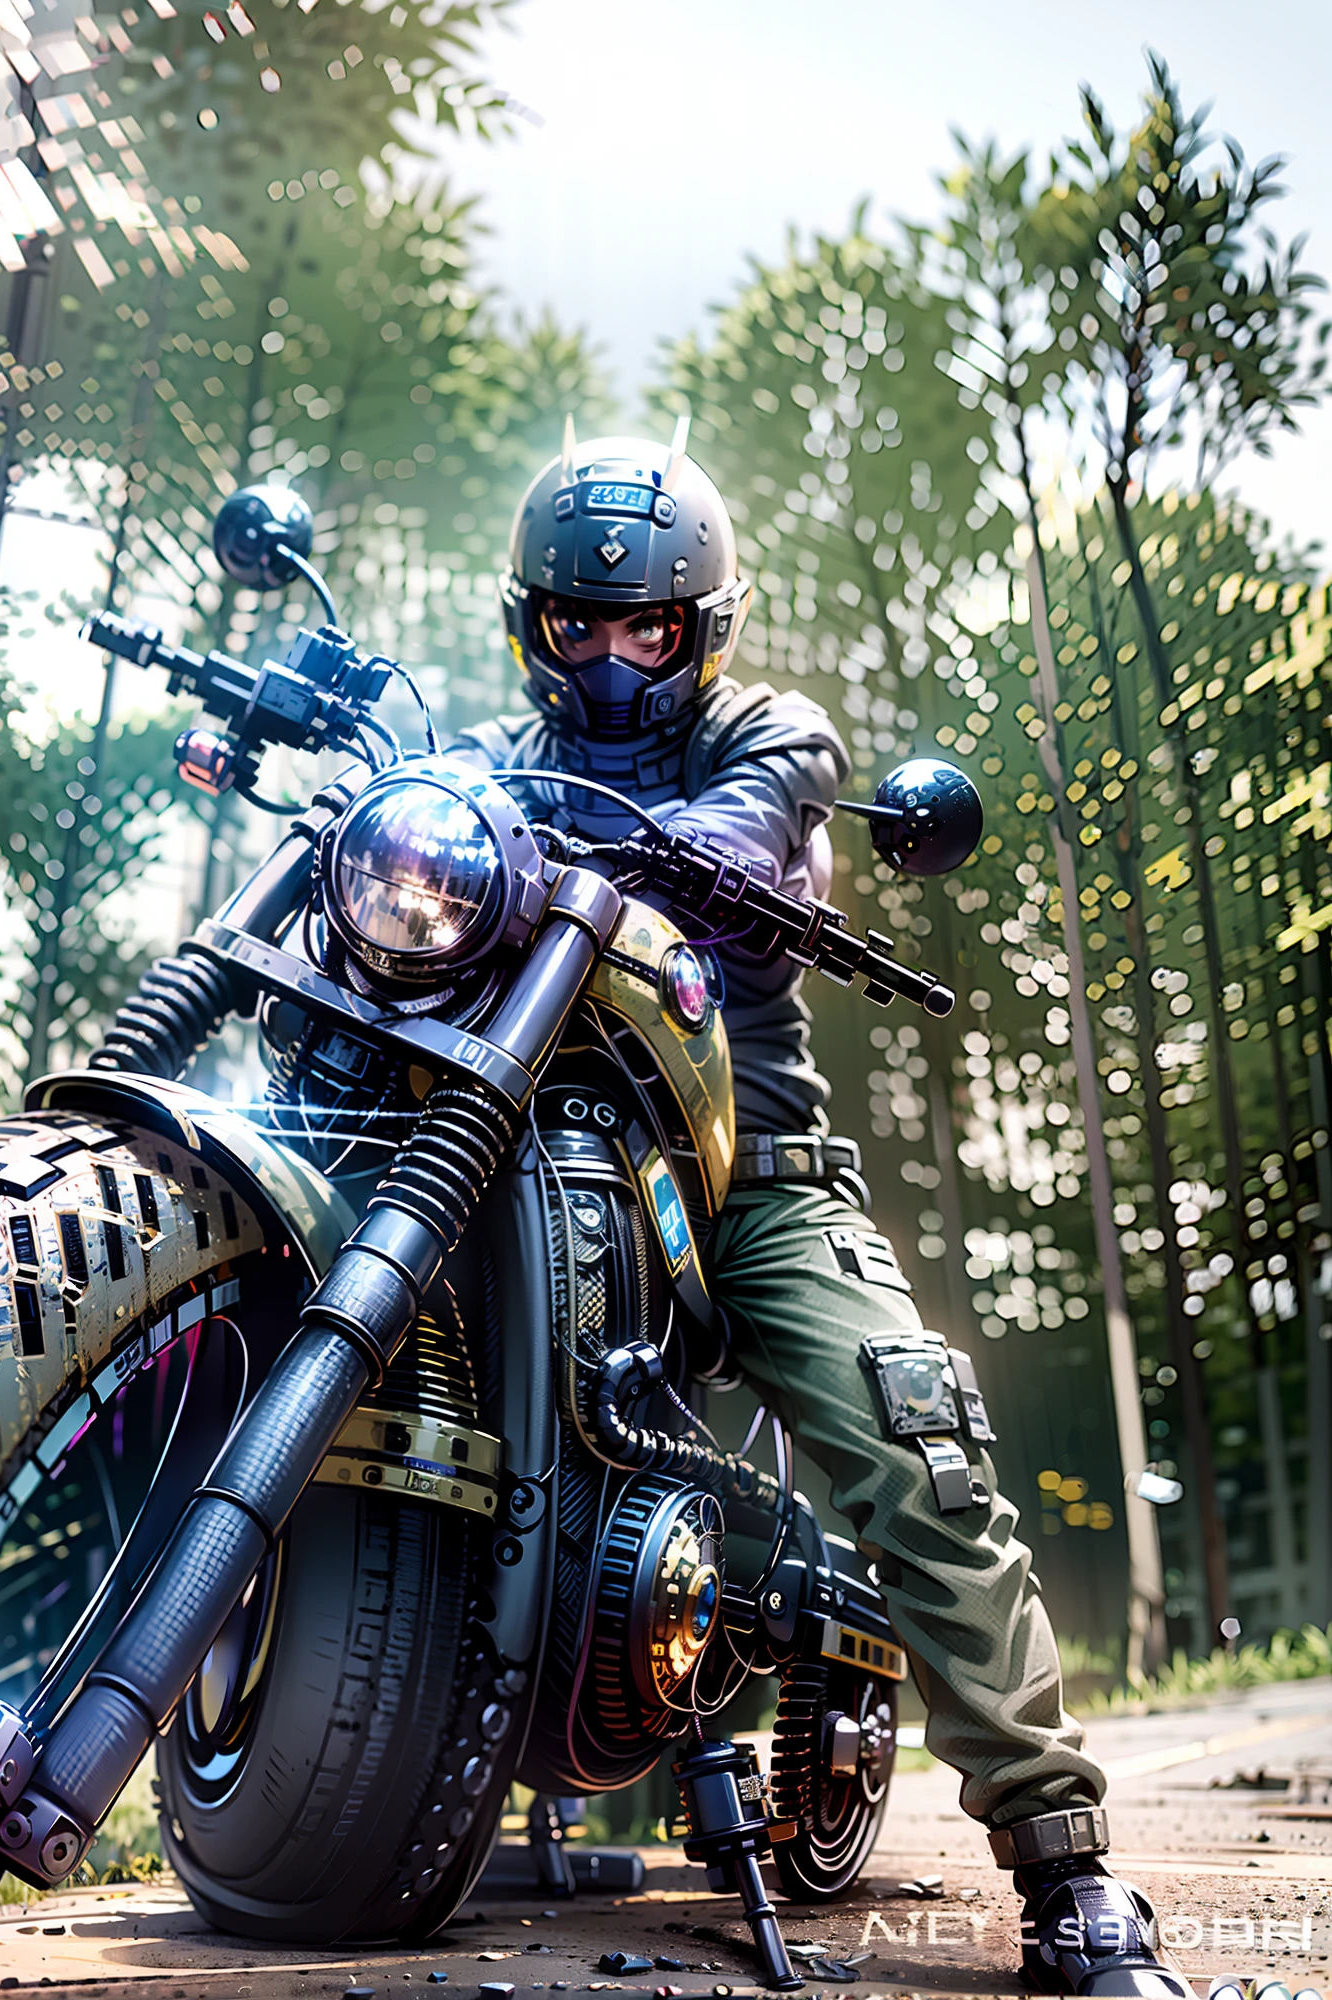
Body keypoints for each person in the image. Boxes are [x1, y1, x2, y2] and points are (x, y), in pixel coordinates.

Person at [448, 418, 1187, 1999]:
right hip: (526, 1158)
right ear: (534, 624)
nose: (611, 655)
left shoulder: (774, 733)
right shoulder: (491, 766)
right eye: (579, 622)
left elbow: (762, 815)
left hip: (747, 1175)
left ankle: (1065, 1867)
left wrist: (695, 849)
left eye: (646, 622)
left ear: (699, 628)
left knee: (919, 1457)